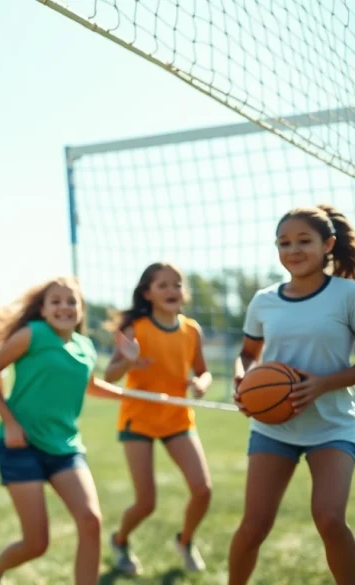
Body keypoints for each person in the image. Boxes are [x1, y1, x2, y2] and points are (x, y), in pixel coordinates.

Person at [228, 204, 355, 585]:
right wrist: (244, 383)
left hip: (332, 424)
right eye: (284, 243)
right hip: (274, 428)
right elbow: (248, 356)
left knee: (330, 519)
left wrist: (322, 383)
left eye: (304, 241)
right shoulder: (264, 299)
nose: (293, 250)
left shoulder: (347, 294)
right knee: (254, 527)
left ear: (328, 244)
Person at [0, 276, 126, 585]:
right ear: (43, 310)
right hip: (21, 445)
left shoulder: (86, 347)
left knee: (91, 521)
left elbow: (90, 385)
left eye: (72, 301)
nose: (64, 307)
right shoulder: (32, 335)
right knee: (36, 543)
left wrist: (129, 394)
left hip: (65, 448)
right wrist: (11, 422)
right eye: (55, 301)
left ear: (81, 310)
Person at [103, 262, 213, 574]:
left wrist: (201, 384)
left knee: (203, 489)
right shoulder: (135, 329)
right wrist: (128, 360)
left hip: (178, 419)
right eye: (162, 284)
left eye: (177, 284)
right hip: (138, 420)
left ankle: (185, 540)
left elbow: (202, 371)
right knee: (146, 502)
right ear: (147, 293)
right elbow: (109, 376)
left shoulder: (191, 330)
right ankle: (120, 540)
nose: (171, 290)